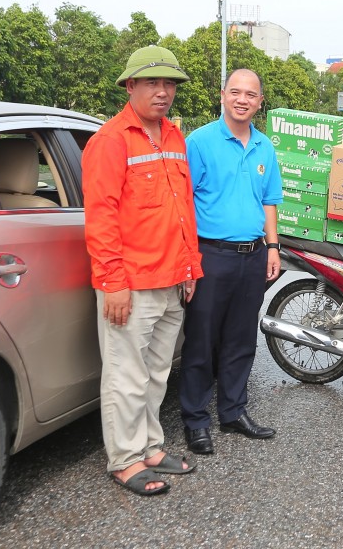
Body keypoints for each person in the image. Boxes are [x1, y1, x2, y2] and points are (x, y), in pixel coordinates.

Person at [83, 45, 202, 497]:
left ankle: (151, 447)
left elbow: (182, 208)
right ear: (130, 86)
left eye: (169, 83)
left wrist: (191, 266)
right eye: (152, 82)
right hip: (132, 284)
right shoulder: (110, 141)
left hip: (173, 278)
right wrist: (113, 283)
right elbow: (101, 216)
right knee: (126, 376)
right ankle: (126, 460)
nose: (163, 91)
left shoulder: (173, 135)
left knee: (155, 374)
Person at [180, 69, 283, 456]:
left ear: (259, 102)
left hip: (252, 255)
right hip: (211, 255)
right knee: (202, 341)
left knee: (241, 339)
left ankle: (233, 411)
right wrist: (188, 259)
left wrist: (272, 248)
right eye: (236, 92)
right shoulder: (201, 142)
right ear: (223, 95)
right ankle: (195, 420)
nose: (243, 99)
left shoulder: (264, 146)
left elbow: (269, 200)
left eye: (251, 94)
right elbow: (184, 204)